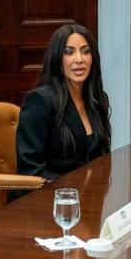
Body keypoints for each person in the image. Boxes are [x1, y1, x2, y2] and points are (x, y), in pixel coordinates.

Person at [16, 24, 111, 181]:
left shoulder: (97, 99)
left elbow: (102, 160)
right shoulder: (40, 101)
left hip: (90, 195)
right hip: (49, 198)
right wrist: (76, 189)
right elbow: (30, 171)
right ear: (57, 58)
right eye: (69, 52)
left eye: (86, 51)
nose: (79, 60)